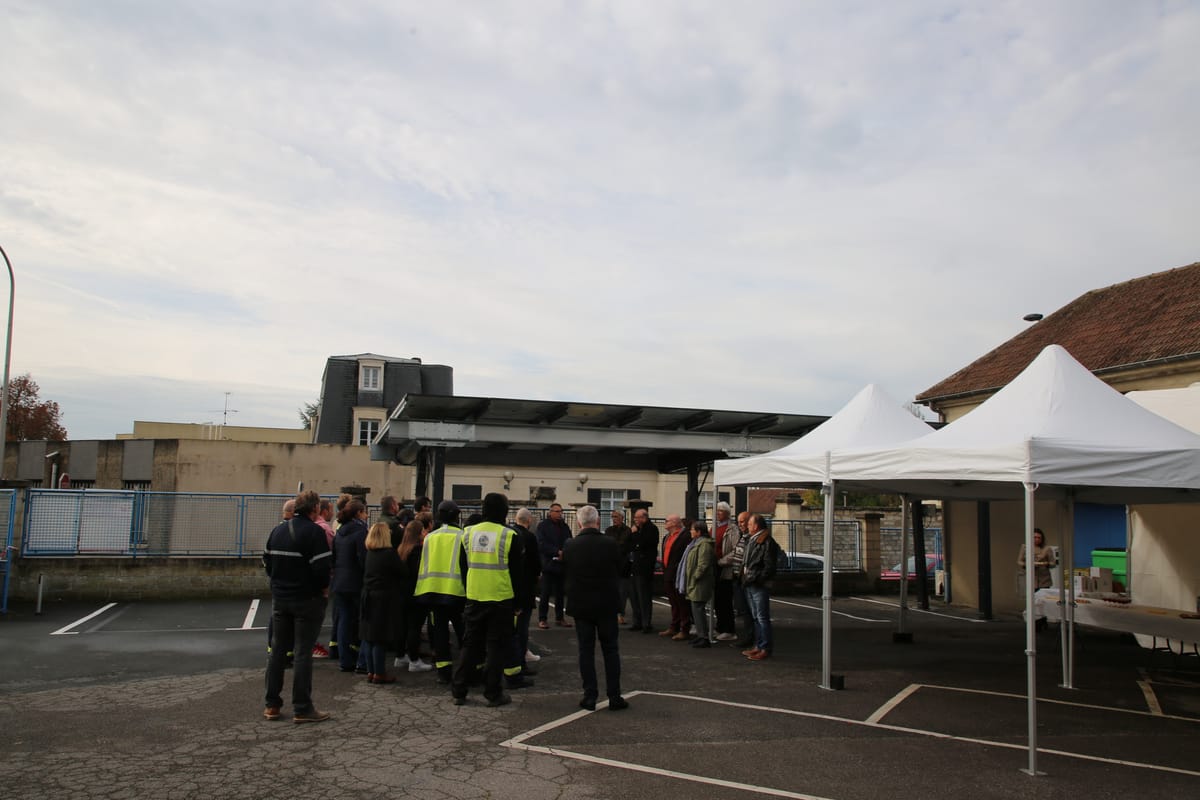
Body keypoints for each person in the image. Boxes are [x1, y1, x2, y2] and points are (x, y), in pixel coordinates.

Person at [262, 490, 332, 723]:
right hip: (307, 600)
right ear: (314, 509)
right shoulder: (315, 533)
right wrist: (323, 590)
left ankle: (272, 704)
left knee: (278, 651)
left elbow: (267, 564)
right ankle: (302, 707)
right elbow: (322, 570)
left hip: (280, 599)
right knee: (303, 652)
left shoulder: (277, 531)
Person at [451, 492, 524, 708]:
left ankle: (459, 690)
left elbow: (463, 567)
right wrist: (518, 602)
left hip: (474, 596)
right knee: (495, 647)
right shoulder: (509, 535)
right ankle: (493, 693)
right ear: (503, 511)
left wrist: (469, 589)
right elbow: (516, 573)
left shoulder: (468, 533)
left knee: (470, 644)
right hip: (501, 598)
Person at [563, 505, 628, 712]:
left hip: (581, 604)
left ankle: (589, 695)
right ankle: (614, 696)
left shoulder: (570, 545)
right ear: (598, 521)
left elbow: (566, 570)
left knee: (585, 650)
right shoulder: (610, 544)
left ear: (580, 522)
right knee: (611, 650)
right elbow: (621, 568)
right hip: (607, 603)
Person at [414, 501, 468, 684]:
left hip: (433, 592)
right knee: (463, 633)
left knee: (440, 635)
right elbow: (465, 565)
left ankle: (443, 673)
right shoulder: (462, 536)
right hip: (456, 592)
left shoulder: (430, 537)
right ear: (456, 516)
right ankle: (468, 670)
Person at [360, 521, 404, 684]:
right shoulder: (389, 553)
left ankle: (371, 671)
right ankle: (379, 672)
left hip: (368, 595)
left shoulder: (369, 552)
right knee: (380, 636)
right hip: (383, 598)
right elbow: (401, 572)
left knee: (369, 635)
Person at [331, 500, 369, 673]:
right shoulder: (361, 531)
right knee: (363, 619)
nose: (367, 515)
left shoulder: (340, 531)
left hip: (339, 581)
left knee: (344, 621)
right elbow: (362, 557)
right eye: (365, 512)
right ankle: (362, 661)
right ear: (359, 513)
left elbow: (335, 555)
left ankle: (345, 660)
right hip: (355, 582)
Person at [507, 507, 542, 685]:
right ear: (528, 521)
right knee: (522, 627)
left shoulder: (508, 533)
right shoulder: (529, 537)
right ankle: (520, 661)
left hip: (507, 587)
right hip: (525, 587)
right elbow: (536, 564)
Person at [740, 514, 780, 661]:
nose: (747, 526)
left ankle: (765, 647)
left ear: (756, 526)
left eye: (750, 524)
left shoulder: (766, 541)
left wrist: (757, 579)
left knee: (762, 617)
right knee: (756, 617)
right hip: (750, 582)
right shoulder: (753, 539)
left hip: (757, 584)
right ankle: (758, 645)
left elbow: (769, 566)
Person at [396, 520, 434, 673]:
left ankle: (400, 656)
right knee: (414, 627)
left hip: (402, 593)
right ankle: (414, 659)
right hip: (415, 593)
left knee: (403, 626)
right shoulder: (418, 551)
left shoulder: (401, 549)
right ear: (419, 533)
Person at [536, 503, 573, 629]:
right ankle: (542, 618)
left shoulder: (564, 526)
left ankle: (560, 618)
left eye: (560, 511)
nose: (559, 514)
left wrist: (564, 552)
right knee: (545, 593)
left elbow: (569, 540)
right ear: (550, 512)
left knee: (560, 593)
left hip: (561, 564)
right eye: (556, 511)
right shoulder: (543, 526)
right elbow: (541, 544)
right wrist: (556, 551)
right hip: (548, 564)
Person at [682, 520, 715, 648]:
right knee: (696, 610)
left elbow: (703, 564)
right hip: (696, 582)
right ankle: (701, 636)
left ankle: (704, 637)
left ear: (699, 532)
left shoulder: (704, 545)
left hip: (700, 583)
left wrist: (694, 577)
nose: (690, 531)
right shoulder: (697, 543)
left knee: (698, 609)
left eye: (692, 529)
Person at [659, 514, 692, 641]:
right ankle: (674, 626)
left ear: (674, 523)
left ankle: (684, 629)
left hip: (678, 574)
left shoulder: (685, 536)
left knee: (682, 602)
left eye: (667, 521)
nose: (665, 523)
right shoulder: (667, 536)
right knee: (673, 602)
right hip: (668, 573)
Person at [628, 508, 660, 633]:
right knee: (634, 597)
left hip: (644, 568)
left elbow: (642, 544)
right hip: (634, 567)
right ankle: (637, 621)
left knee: (644, 597)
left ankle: (646, 623)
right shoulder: (639, 529)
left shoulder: (651, 529)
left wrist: (635, 534)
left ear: (644, 517)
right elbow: (631, 545)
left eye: (637, 517)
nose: (635, 520)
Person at [711, 502, 739, 641]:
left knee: (725, 600)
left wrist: (722, 561)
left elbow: (737, 550)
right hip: (715, 568)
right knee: (717, 600)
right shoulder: (715, 527)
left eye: (721, 511)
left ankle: (729, 629)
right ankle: (720, 626)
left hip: (725, 569)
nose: (718, 513)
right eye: (717, 511)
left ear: (727, 513)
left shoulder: (732, 529)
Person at [314, 499, 336, 659]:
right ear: (323, 511)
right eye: (330, 509)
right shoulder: (325, 530)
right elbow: (330, 555)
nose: (332, 513)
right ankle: (312, 646)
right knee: (316, 615)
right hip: (320, 581)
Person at [605, 509, 634, 624]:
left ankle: (620, 614)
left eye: (616, 516)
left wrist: (616, 544)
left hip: (623, 566)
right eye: (612, 516)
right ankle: (611, 613)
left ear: (622, 518)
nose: (614, 519)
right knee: (610, 591)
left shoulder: (627, 530)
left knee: (622, 592)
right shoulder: (608, 530)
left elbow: (624, 545)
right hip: (611, 565)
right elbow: (609, 545)